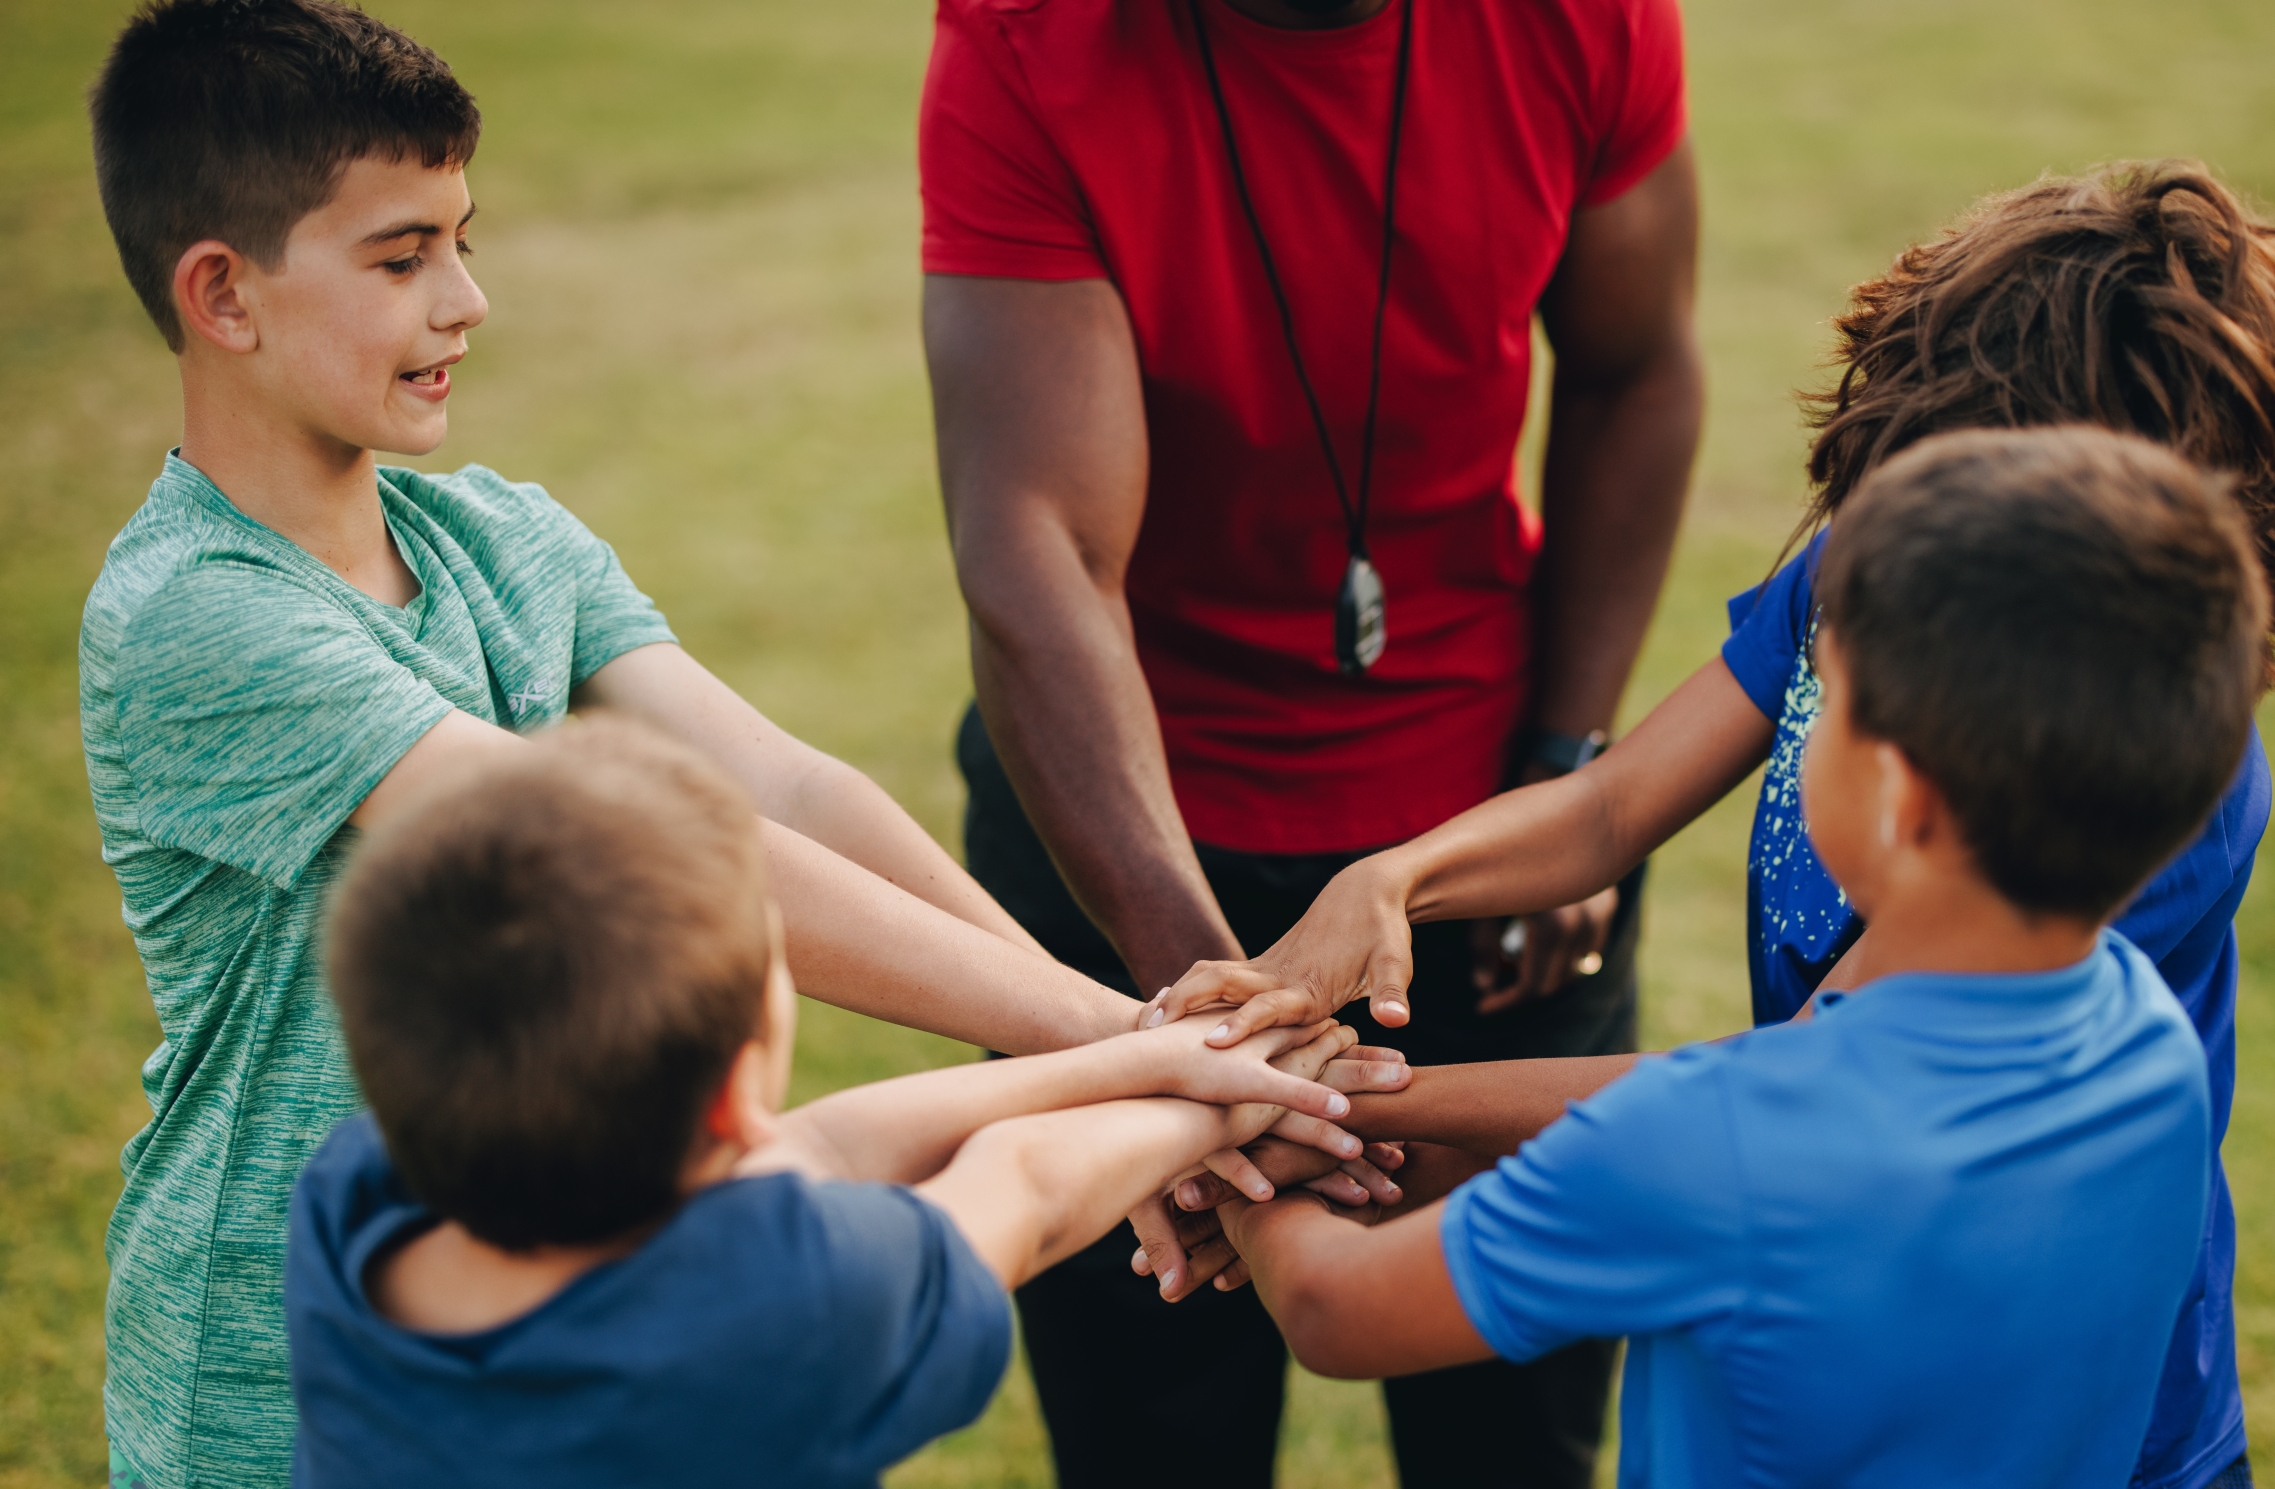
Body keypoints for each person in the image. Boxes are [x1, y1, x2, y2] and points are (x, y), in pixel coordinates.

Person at [79, 4, 1387, 1482]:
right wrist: (1137, 1051)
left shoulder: (506, 539)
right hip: (290, 1383)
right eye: (402, 258)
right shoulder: (198, 619)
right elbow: (657, 862)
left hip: (594, 1281)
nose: (468, 300)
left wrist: (1120, 1040)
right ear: (223, 294)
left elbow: (788, 789)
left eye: (465, 237)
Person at [1156, 160, 2275, 1489]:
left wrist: (1288, 1116)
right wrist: (1389, 883)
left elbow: (1796, 1097)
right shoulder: (1906, 578)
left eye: (1836, 686)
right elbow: (1615, 803)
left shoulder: (2127, 796)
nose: (1820, 642)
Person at [917, 0, 1700, 1478]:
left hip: (1490, 842)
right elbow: (1038, 546)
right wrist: (1217, 1019)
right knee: (1155, 1432)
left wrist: (1566, 761)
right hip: (1126, 853)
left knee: (1518, 1437)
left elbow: (1634, 365)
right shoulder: (1030, 36)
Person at [1211, 426, 2264, 1486]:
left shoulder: (1710, 1145)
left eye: (1823, 698)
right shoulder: (2154, 1049)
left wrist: (1245, 1160)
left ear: (1898, 797)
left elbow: (1332, 1308)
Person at [284, 720, 1398, 1487]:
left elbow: (812, 1146)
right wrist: (1240, 1094)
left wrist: (1157, 1059)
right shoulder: (800, 1300)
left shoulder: (353, 1206)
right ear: (734, 1089)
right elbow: (1028, 1187)